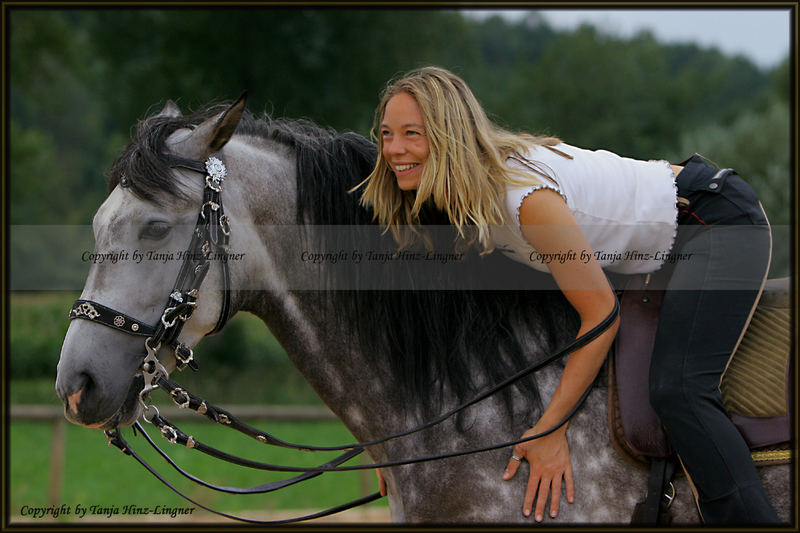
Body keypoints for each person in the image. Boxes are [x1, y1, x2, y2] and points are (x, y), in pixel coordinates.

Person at [357, 66, 779, 525]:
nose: (394, 149)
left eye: (411, 134)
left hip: (713, 223)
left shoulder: (525, 200)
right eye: (386, 134)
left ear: (447, 136)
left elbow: (601, 316)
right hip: (662, 244)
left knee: (678, 390)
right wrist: (390, 442)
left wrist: (550, 428)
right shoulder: (459, 194)